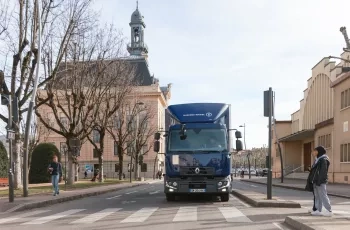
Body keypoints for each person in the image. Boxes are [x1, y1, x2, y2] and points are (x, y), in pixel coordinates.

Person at [311, 146, 332, 216]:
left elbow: (323, 172)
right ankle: (318, 210)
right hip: (316, 181)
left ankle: (329, 210)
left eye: (314, 151)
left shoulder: (323, 159)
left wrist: (319, 181)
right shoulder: (318, 159)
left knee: (323, 195)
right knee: (317, 196)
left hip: (320, 181)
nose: (313, 152)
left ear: (318, 151)